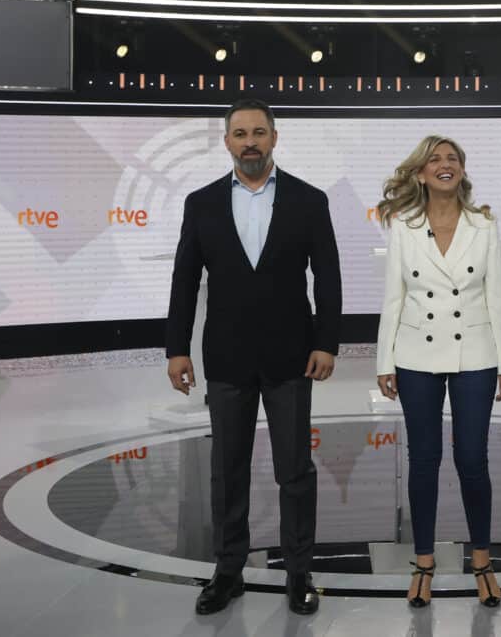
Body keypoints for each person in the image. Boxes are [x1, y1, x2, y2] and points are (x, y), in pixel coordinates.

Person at [165, 98, 342, 616]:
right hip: (226, 359)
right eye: (240, 133)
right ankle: (227, 571)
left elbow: (327, 278)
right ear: (226, 142)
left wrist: (326, 341)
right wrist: (177, 348)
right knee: (228, 471)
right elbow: (184, 282)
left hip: (292, 358)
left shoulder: (310, 201)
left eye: (258, 132)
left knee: (295, 471)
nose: (250, 142)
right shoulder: (200, 203)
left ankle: (299, 573)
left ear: (274, 137)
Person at [374, 135, 501, 608]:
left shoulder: (484, 225)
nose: (444, 164)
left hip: (476, 353)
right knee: (424, 460)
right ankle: (424, 561)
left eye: (452, 158)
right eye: (435, 159)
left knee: (472, 459)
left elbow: (496, 295)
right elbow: (394, 297)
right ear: (420, 173)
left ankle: (481, 559)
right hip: (416, 355)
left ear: (462, 171)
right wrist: (384, 360)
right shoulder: (404, 226)